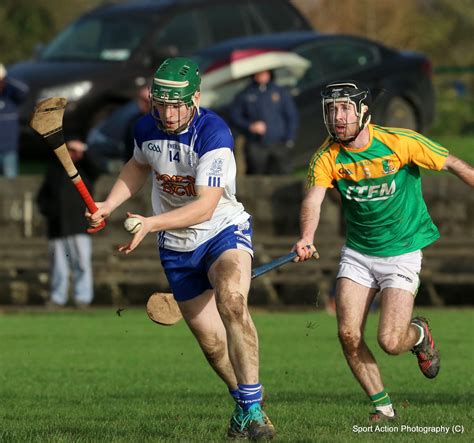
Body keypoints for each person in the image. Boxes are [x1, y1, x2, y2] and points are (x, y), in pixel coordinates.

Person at [86, 57, 275, 440]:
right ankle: (244, 404)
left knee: (232, 303)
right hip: (176, 247)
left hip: (222, 231)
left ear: (196, 99)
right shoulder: (144, 127)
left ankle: (255, 410)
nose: (168, 114)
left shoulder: (214, 133)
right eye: (161, 104)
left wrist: (150, 223)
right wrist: (109, 204)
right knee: (210, 343)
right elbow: (137, 166)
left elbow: (205, 206)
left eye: (176, 105)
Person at [293, 80, 474, 422]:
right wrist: (306, 236)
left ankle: (418, 334)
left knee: (391, 342)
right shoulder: (326, 156)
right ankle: (383, 408)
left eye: (345, 108)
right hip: (359, 254)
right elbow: (313, 199)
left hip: (402, 251)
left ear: (364, 112)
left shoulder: (399, 142)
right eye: (332, 109)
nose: (338, 116)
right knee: (348, 333)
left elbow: (453, 164)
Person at [37, 139, 101, 307]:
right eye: (69, 150)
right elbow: (42, 196)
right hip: (57, 227)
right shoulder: (54, 169)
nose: (71, 154)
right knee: (58, 266)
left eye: (75, 151)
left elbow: (99, 167)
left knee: (81, 263)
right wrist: (50, 212)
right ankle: (58, 297)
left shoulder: (85, 169)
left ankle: (83, 297)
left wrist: (85, 152)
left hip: (79, 225)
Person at [230, 69, 298, 175]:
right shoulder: (245, 95)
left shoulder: (280, 91)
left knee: (284, 172)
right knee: (258, 174)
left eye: (264, 73)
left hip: (279, 142)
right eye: (259, 73)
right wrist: (250, 126)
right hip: (256, 144)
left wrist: (290, 138)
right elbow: (235, 117)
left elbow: (291, 115)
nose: (262, 76)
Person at [0, 63, 28, 178]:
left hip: (9, 150)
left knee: (11, 186)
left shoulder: (11, 98)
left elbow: (24, 89)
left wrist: (6, 78)